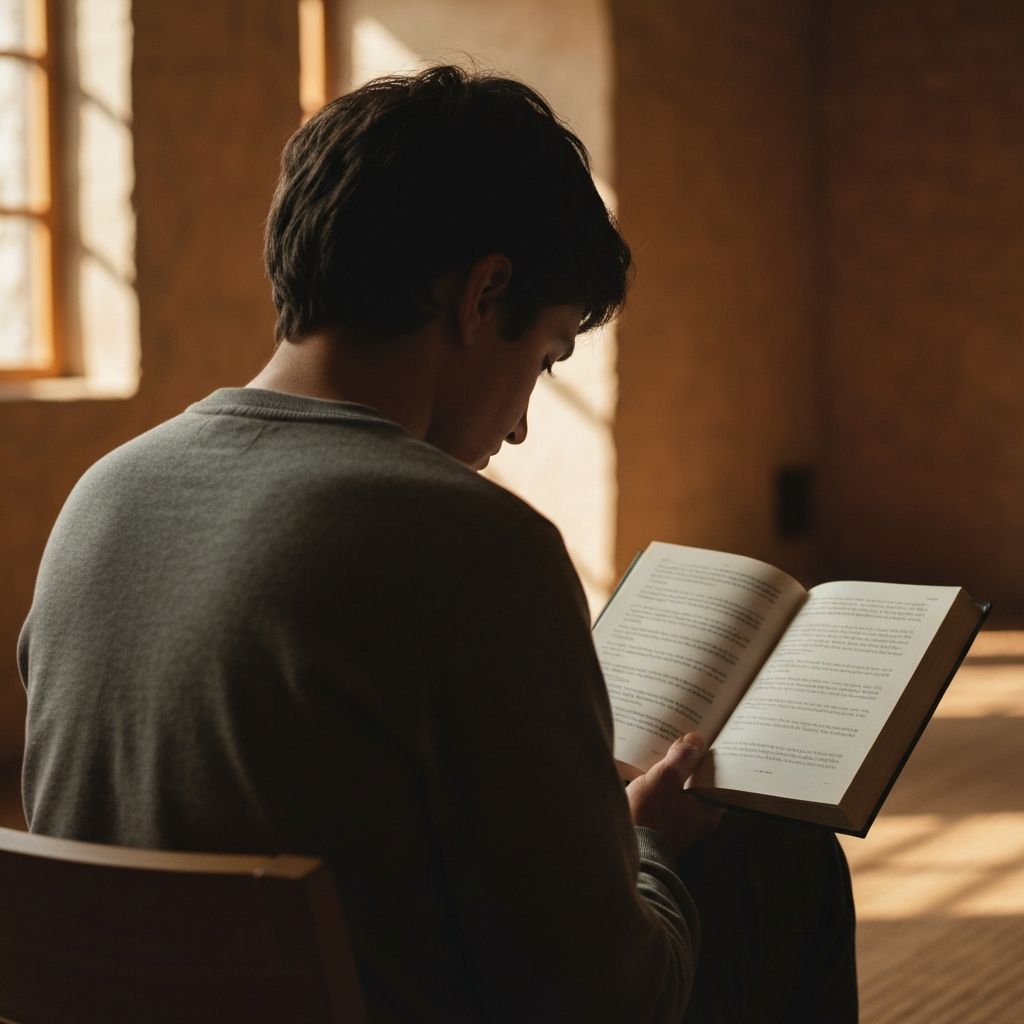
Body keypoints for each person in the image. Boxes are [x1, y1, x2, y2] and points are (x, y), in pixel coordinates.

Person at [18, 65, 855, 1021]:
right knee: (777, 856)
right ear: (482, 293)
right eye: (543, 357)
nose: (521, 428)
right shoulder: (475, 544)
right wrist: (646, 847)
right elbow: (614, 1002)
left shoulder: (104, 493)